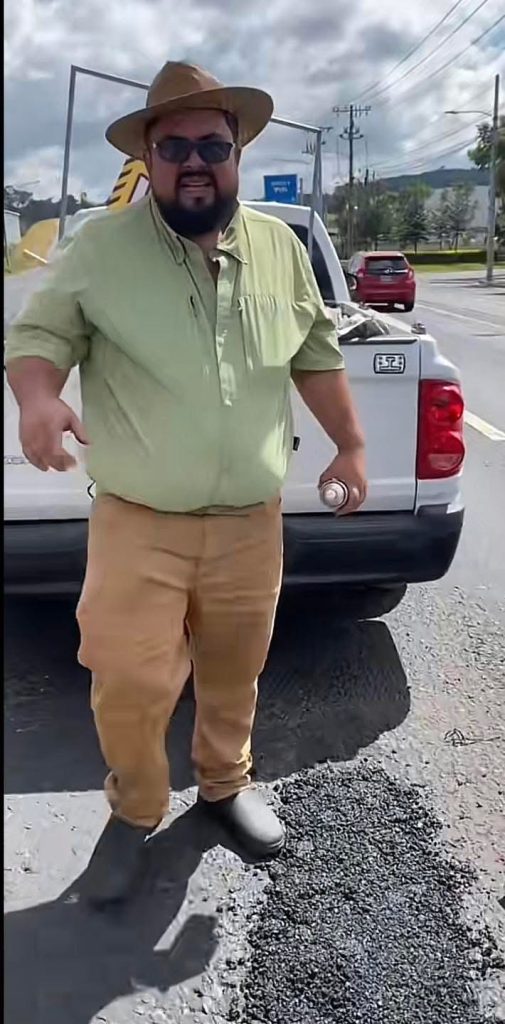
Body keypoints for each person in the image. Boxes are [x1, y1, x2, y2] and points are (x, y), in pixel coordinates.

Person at [5, 61, 367, 905]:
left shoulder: (280, 248)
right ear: (149, 158)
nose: (194, 161)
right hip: (139, 523)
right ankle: (134, 810)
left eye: (212, 144)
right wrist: (37, 399)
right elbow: (39, 338)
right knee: (130, 679)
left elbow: (314, 354)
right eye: (174, 147)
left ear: (238, 152)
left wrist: (349, 445)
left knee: (235, 669)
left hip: (250, 522)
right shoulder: (99, 249)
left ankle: (224, 786)